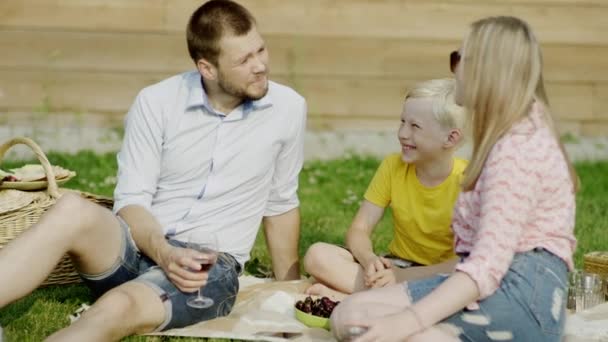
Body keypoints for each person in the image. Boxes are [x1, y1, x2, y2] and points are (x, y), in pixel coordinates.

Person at [0, 0, 306, 340]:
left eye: (260, 50)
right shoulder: (157, 102)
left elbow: (280, 202)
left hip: (206, 270)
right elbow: (131, 202)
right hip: (140, 246)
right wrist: (163, 250)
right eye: (244, 60)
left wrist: (288, 288)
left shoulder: (288, 108)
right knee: (71, 209)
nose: (261, 65)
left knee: (118, 306)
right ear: (208, 68)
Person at [330, 16, 578, 342]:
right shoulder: (516, 128)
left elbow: (486, 267)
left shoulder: (517, 152)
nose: (452, 71)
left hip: (521, 295)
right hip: (497, 281)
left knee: (398, 332)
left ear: (483, 72)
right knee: (349, 316)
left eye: (457, 60)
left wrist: (408, 321)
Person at [304, 78, 468, 301]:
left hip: (438, 276)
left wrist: (403, 277)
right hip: (395, 265)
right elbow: (359, 229)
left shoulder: (468, 182)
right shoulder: (393, 166)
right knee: (317, 256)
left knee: (462, 288)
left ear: (450, 138)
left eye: (415, 126)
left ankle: (349, 298)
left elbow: (467, 260)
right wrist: (368, 259)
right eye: (402, 122)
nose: (402, 133)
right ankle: (383, 299)